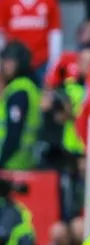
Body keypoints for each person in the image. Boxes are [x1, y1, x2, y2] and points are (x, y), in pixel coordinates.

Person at [0, 41, 40, 170]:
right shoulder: (28, 86)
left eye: (9, 62)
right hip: (20, 160)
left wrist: (2, 161)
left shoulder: (19, 91)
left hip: (13, 162)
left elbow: (14, 133)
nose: (4, 66)